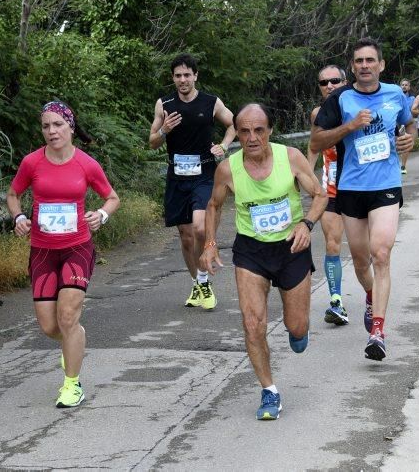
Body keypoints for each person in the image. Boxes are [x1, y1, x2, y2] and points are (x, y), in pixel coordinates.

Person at [200, 103, 327, 420]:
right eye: (244, 131)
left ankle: (298, 331)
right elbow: (214, 205)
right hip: (251, 251)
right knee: (252, 323)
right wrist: (210, 244)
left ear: (270, 130)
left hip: (291, 247)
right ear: (237, 134)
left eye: (259, 130)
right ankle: (269, 391)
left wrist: (307, 224)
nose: (252, 137)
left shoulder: (291, 158)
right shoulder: (228, 169)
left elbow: (320, 195)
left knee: (296, 326)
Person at [309, 37, 417, 361]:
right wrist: (350, 125)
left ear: (381, 65)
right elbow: (316, 139)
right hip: (351, 188)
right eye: (359, 61)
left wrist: (408, 139)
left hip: (385, 184)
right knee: (360, 260)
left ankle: (378, 332)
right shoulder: (341, 98)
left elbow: (408, 122)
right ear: (352, 67)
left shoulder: (395, 94)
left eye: (371, 60)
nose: (365, 66)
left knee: (380, 253)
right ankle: (371, 295)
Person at [6, 101, 120, 408]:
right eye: (46, 126)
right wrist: (18, 218)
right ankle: (74, 341)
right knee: (49, 326)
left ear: (70, 126)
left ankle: (72, 384)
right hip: (42, 251)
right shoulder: (32, 163)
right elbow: (13, 194)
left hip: (77, 248)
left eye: (58, 124)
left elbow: (111, 197)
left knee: (67, 315)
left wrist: (102, 215)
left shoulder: (86, 164)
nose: (52, 131)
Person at [149, 53, 235, 310]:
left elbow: (234, 124)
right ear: (173, 78)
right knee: (186, 237)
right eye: (178, 76)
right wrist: (165, 130)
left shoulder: (211, 102)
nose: (183, 79)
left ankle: (203, 281)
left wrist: (224, 145)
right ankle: (199, 283)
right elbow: (152, 142)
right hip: (177, 177)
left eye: (187, 75)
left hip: (205, 174)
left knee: (199, 228)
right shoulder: (164, 104)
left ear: (195, 76)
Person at [307, 65, 349, 326]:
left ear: (345, 81)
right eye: (324, 83)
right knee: (332, 244)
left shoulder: (357, 106)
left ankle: (372, 296)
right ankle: (336, 301)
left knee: (362, 252)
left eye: (335, 81)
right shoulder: (317, 114)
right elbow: (313, 147)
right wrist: (306, 176)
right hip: (331, 189)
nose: (330, 86)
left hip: (360, 188)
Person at [399, 78, 414, 175]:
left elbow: (413, 111)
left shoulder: (412, 99)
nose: (404, 86)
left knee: (405, 145)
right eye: (402, 85)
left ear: (409, 87)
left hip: (406, 124)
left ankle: (403, 165)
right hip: (395, 124)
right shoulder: (396, 97)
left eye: (406, 85)